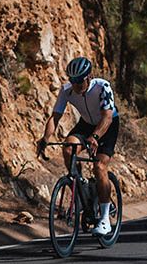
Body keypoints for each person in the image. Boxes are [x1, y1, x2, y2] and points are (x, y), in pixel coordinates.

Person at [36, 56, 120, 236]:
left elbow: (106, 116)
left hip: (108, 124)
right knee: (68, 147)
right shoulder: (66, 90)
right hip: (86, 123)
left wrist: (95, 136)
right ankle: (81, 185)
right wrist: (45, 138)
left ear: (88, 77)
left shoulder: (102, 87)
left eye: (79, 81)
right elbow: (55, 117)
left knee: (99, 166)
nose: (75, 85)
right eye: (72, 81)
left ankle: (104, 218)